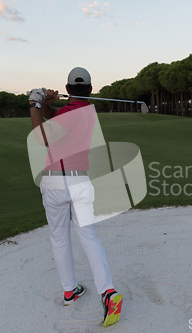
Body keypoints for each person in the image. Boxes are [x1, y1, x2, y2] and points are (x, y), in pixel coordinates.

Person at [28, 67, 122, 328]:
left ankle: (69, 291)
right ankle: (108, 292)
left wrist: (34, 103)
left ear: (68, 89)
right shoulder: (86, 112)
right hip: (80, 182)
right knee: (90, 238)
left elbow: (40, 137)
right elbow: (57, 115)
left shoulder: (70, 112)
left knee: (59, 238)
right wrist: (46, 104)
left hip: (56, 184)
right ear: (90, 90)